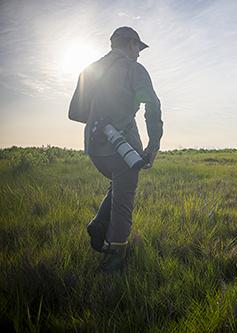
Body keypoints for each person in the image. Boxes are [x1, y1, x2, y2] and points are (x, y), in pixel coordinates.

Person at [69, 27, 163, 272]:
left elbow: (76, 113)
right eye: (138, 49)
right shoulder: (134, 69)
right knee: (123, 201)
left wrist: (102, 116)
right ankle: (112, 264)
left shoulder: (89, 69)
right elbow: (151, 105)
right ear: (131, 44)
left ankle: (99, 225)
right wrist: (154, 144)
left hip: (94, 148)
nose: (139, 55)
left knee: (117, 186)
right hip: (123, 148)